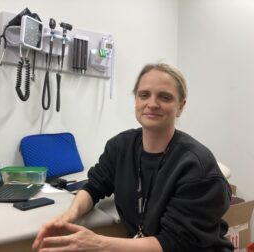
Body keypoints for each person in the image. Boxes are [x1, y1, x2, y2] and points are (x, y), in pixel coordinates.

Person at [32, 63, 234, 252]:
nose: (152, 104)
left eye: (164, 97)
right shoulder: (120, 147)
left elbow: (173, 243)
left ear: (180, 106)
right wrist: (70, 215)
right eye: (144, 95)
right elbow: (94, 187)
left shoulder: (196, 166)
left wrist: (98, 243)